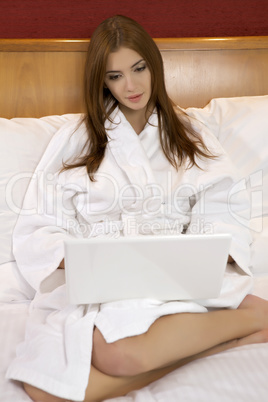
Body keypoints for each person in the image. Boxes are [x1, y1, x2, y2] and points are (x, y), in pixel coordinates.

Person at [6, 15, 268, 402]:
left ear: (154, 65)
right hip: (104, 278)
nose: (130, 86)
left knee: (117, 354)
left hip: (174, 274)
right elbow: (40, 225)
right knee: (42, 391)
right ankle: (233, 334)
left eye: (139, 68)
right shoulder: (76, 140)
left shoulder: (190, 134)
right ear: (102, 81)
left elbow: (223, 208)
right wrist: (87, 257)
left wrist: (192, 254)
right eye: (115, 76)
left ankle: (248, 316)